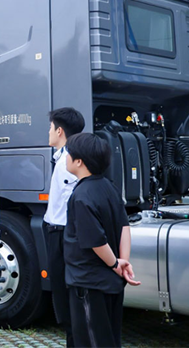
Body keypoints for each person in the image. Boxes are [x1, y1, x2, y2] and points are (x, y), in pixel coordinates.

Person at [63, 133, 141, 348]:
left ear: (79, 161)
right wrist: (122, 262)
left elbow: (96, 241)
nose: (66, 158)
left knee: (92, 341)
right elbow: (124, 226)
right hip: (111, 283)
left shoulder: (81, 196)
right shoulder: (109, 187)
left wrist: (116, 264)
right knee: (109, 339)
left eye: (68, 154)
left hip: (89, 282)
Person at [42, 107, 85, 347]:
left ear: (59, 130)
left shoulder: (69, 160)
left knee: (67, 298)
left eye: (50, 127)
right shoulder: (64, 157)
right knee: (65, 298)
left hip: (64, 235)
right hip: (60, 233)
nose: (48, 132)